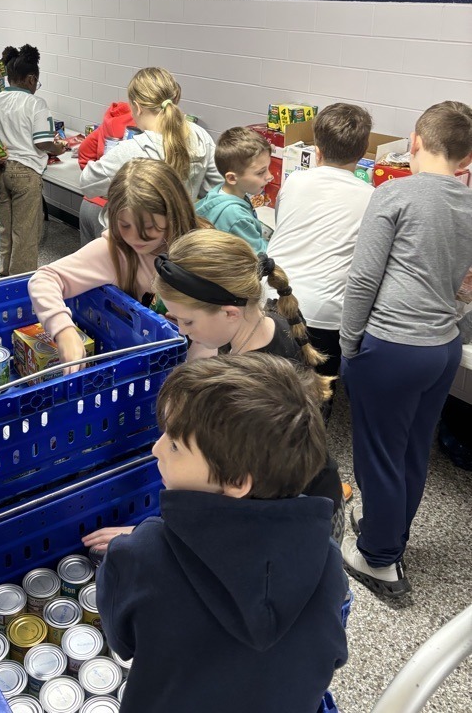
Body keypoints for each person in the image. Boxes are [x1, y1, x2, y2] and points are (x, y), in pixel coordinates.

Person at [96, 354, 348, 713]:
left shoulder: (140, 553)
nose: (156, 448)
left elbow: (122, 642)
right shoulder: (326, 557)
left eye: (175, 445)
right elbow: (331, 655)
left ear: (235, 482)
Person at [83, 229, 346, 550]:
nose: (180, 330)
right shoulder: (253, 329)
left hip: (294, 529)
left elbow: (233, 501)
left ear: (230, 312)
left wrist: (150, 536)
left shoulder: (256, 388)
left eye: (187, 322)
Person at [340, 100, 472, 599]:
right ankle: (387, 534)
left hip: (392, 345)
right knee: (412, 452)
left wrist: (351, 345)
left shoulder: (394, 193)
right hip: (441, 351)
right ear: (467, 159)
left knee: (379, 457)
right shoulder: (469, 205)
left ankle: (378, 560)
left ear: (415, 142)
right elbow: (465, 289)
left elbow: (363, 279)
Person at [29, 159, 206, 372]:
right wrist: (64, 330)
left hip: (193, 365)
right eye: (125, 225)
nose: (136, 237)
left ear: (174, 214)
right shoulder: (116, 251)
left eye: (149, 227)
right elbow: (44, 278)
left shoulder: (200, 246)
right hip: (137, 367)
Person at [268, 103, 373, 419]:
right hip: (325, 313)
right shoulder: (371, 196)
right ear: (363, 151)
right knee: (314, 402)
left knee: (266, 393)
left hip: (275, 297)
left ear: (317, 150)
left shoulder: (296, 181)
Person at [79, 68, 222, 222]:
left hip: (136, 240)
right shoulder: (200, 135)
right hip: (181, 235)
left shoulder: (132, 150)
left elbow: (87, 183)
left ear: (137, 107)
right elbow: (216, 187)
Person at [0, 44, 66, 275]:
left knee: (6, 230)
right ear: (31, 79)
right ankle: (21, 284)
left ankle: (5, 276)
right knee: (25, 234)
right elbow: (42, 143)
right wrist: (59, 148)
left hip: (1, 171)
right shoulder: (36, 104)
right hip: (25, 174)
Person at [195, 126, 272, 255]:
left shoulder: (218, 192)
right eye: (261, 172)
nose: (270, 176)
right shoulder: (235, 216)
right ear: (231, 178)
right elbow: (260, 255)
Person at [76, 101, 133, 245]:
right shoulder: (136, 132)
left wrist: (94, 174)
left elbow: (84, 149)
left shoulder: (105, 126)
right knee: (107, 264)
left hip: (89, 203)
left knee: (87, 259)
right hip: (111, 211)